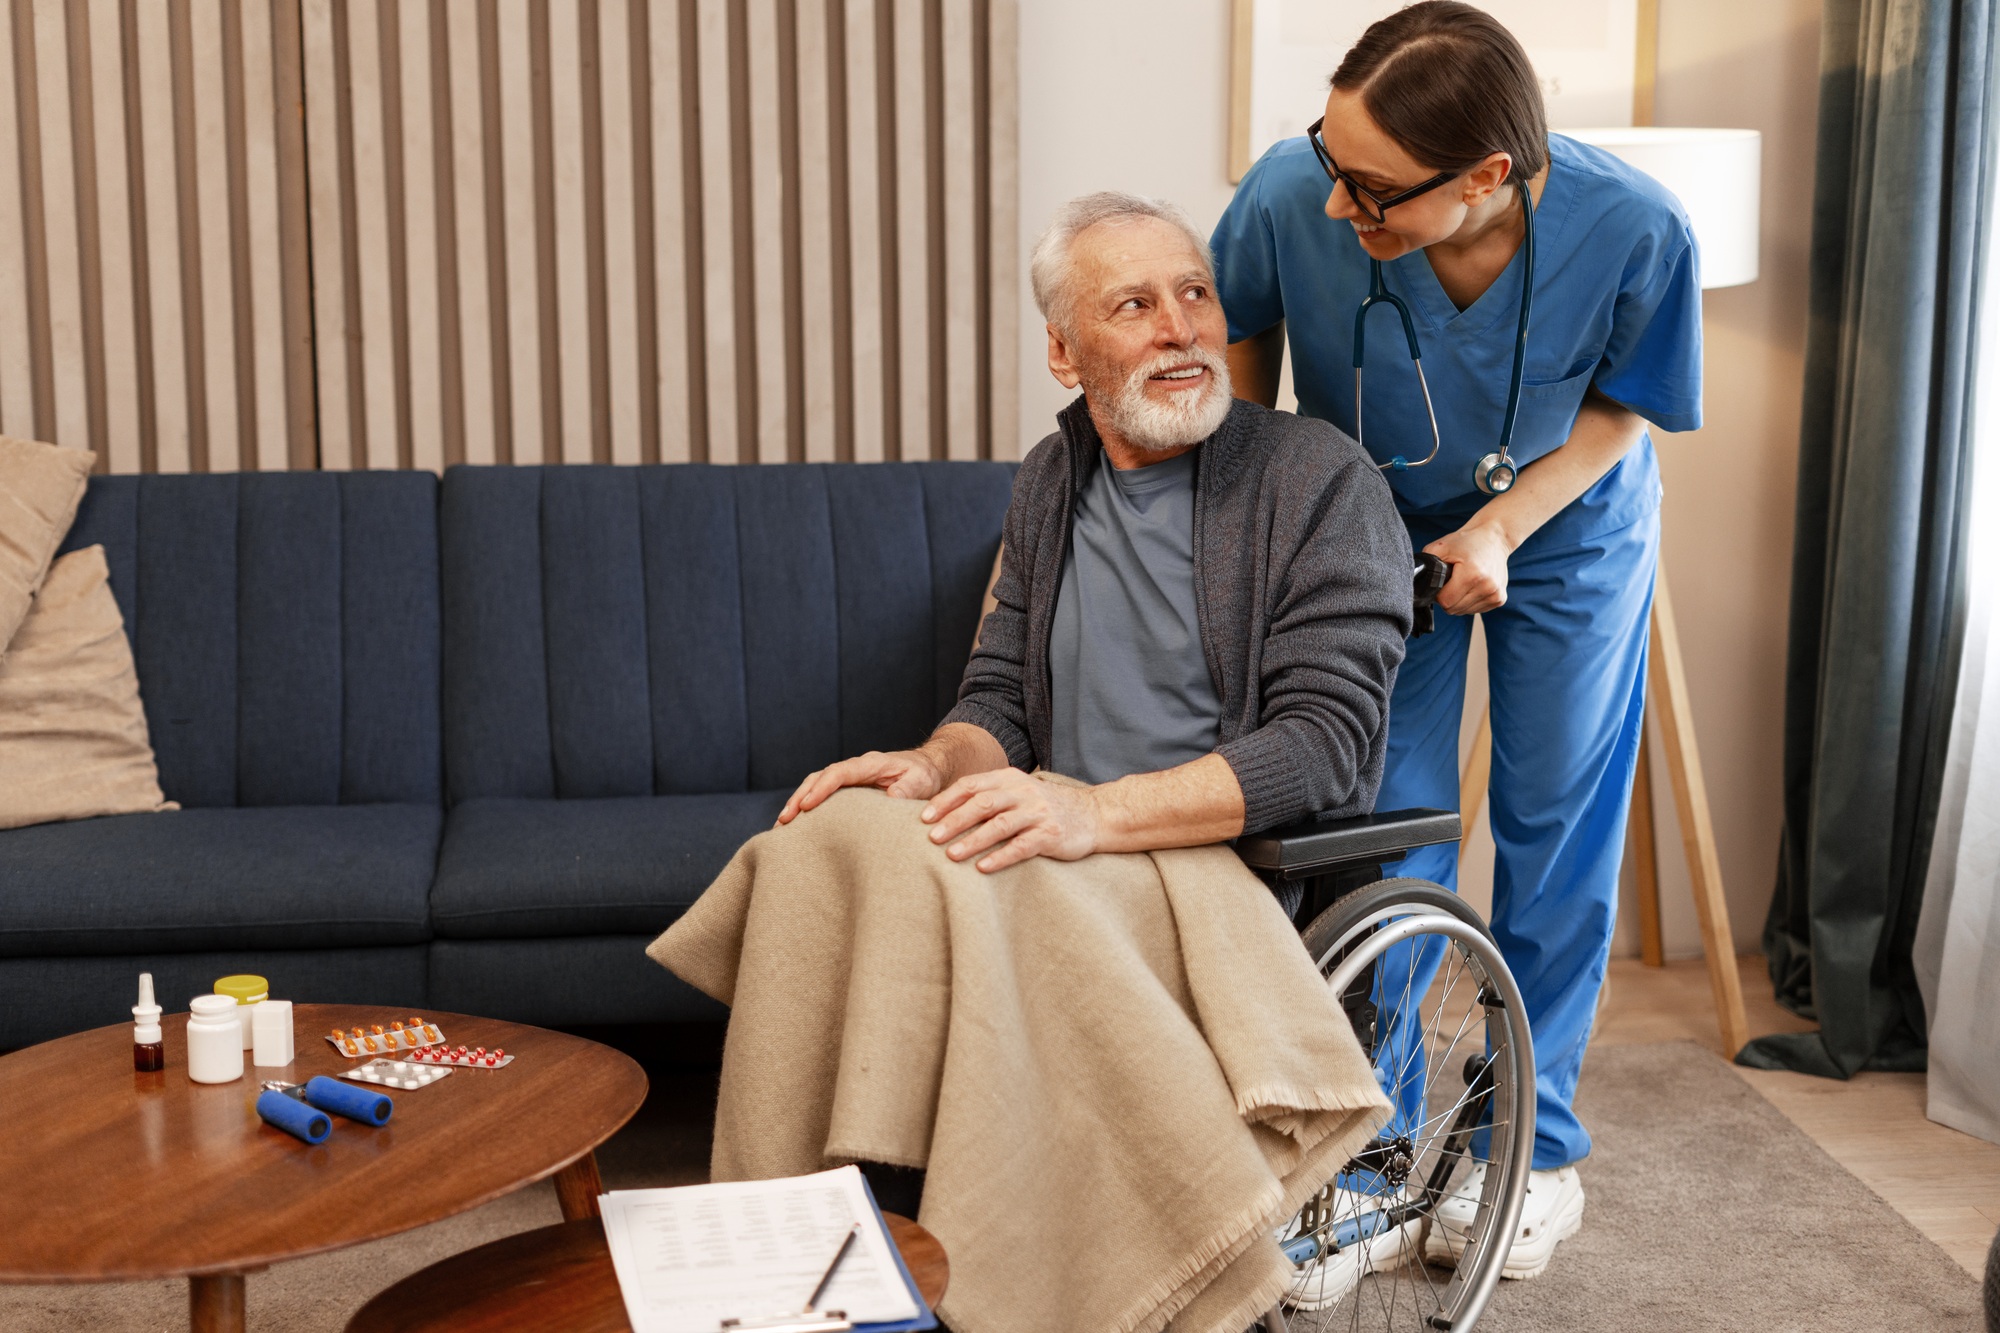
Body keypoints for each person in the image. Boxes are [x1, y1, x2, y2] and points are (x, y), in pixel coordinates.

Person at [1210, 0, 1703, 1278]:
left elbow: (1621, 412)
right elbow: (1242, 343)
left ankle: (1523, 1152)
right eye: (1330, 160)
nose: (1334, 207)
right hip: (1367, 528)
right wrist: (1251, 518)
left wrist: (1501, 525)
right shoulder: (1287, 191)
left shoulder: (1634, 227)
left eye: (1369, 191)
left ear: (1486, 176)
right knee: (1388, 814)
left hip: (1566, 527)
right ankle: (1368, 1152)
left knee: (1551, 826)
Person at [779, 189, 1414, 870]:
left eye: (1196, 292)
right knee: (821, 850)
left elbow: (1318, 748)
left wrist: (1095, 813)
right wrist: (932, 767)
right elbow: (1001, 701)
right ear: (1064, 352)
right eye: (1136, 304)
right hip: (1063, 849)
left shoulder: (1323, 481)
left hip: (1214, 865)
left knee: (936, 913)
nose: (1181, 328)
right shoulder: (1049, 478)